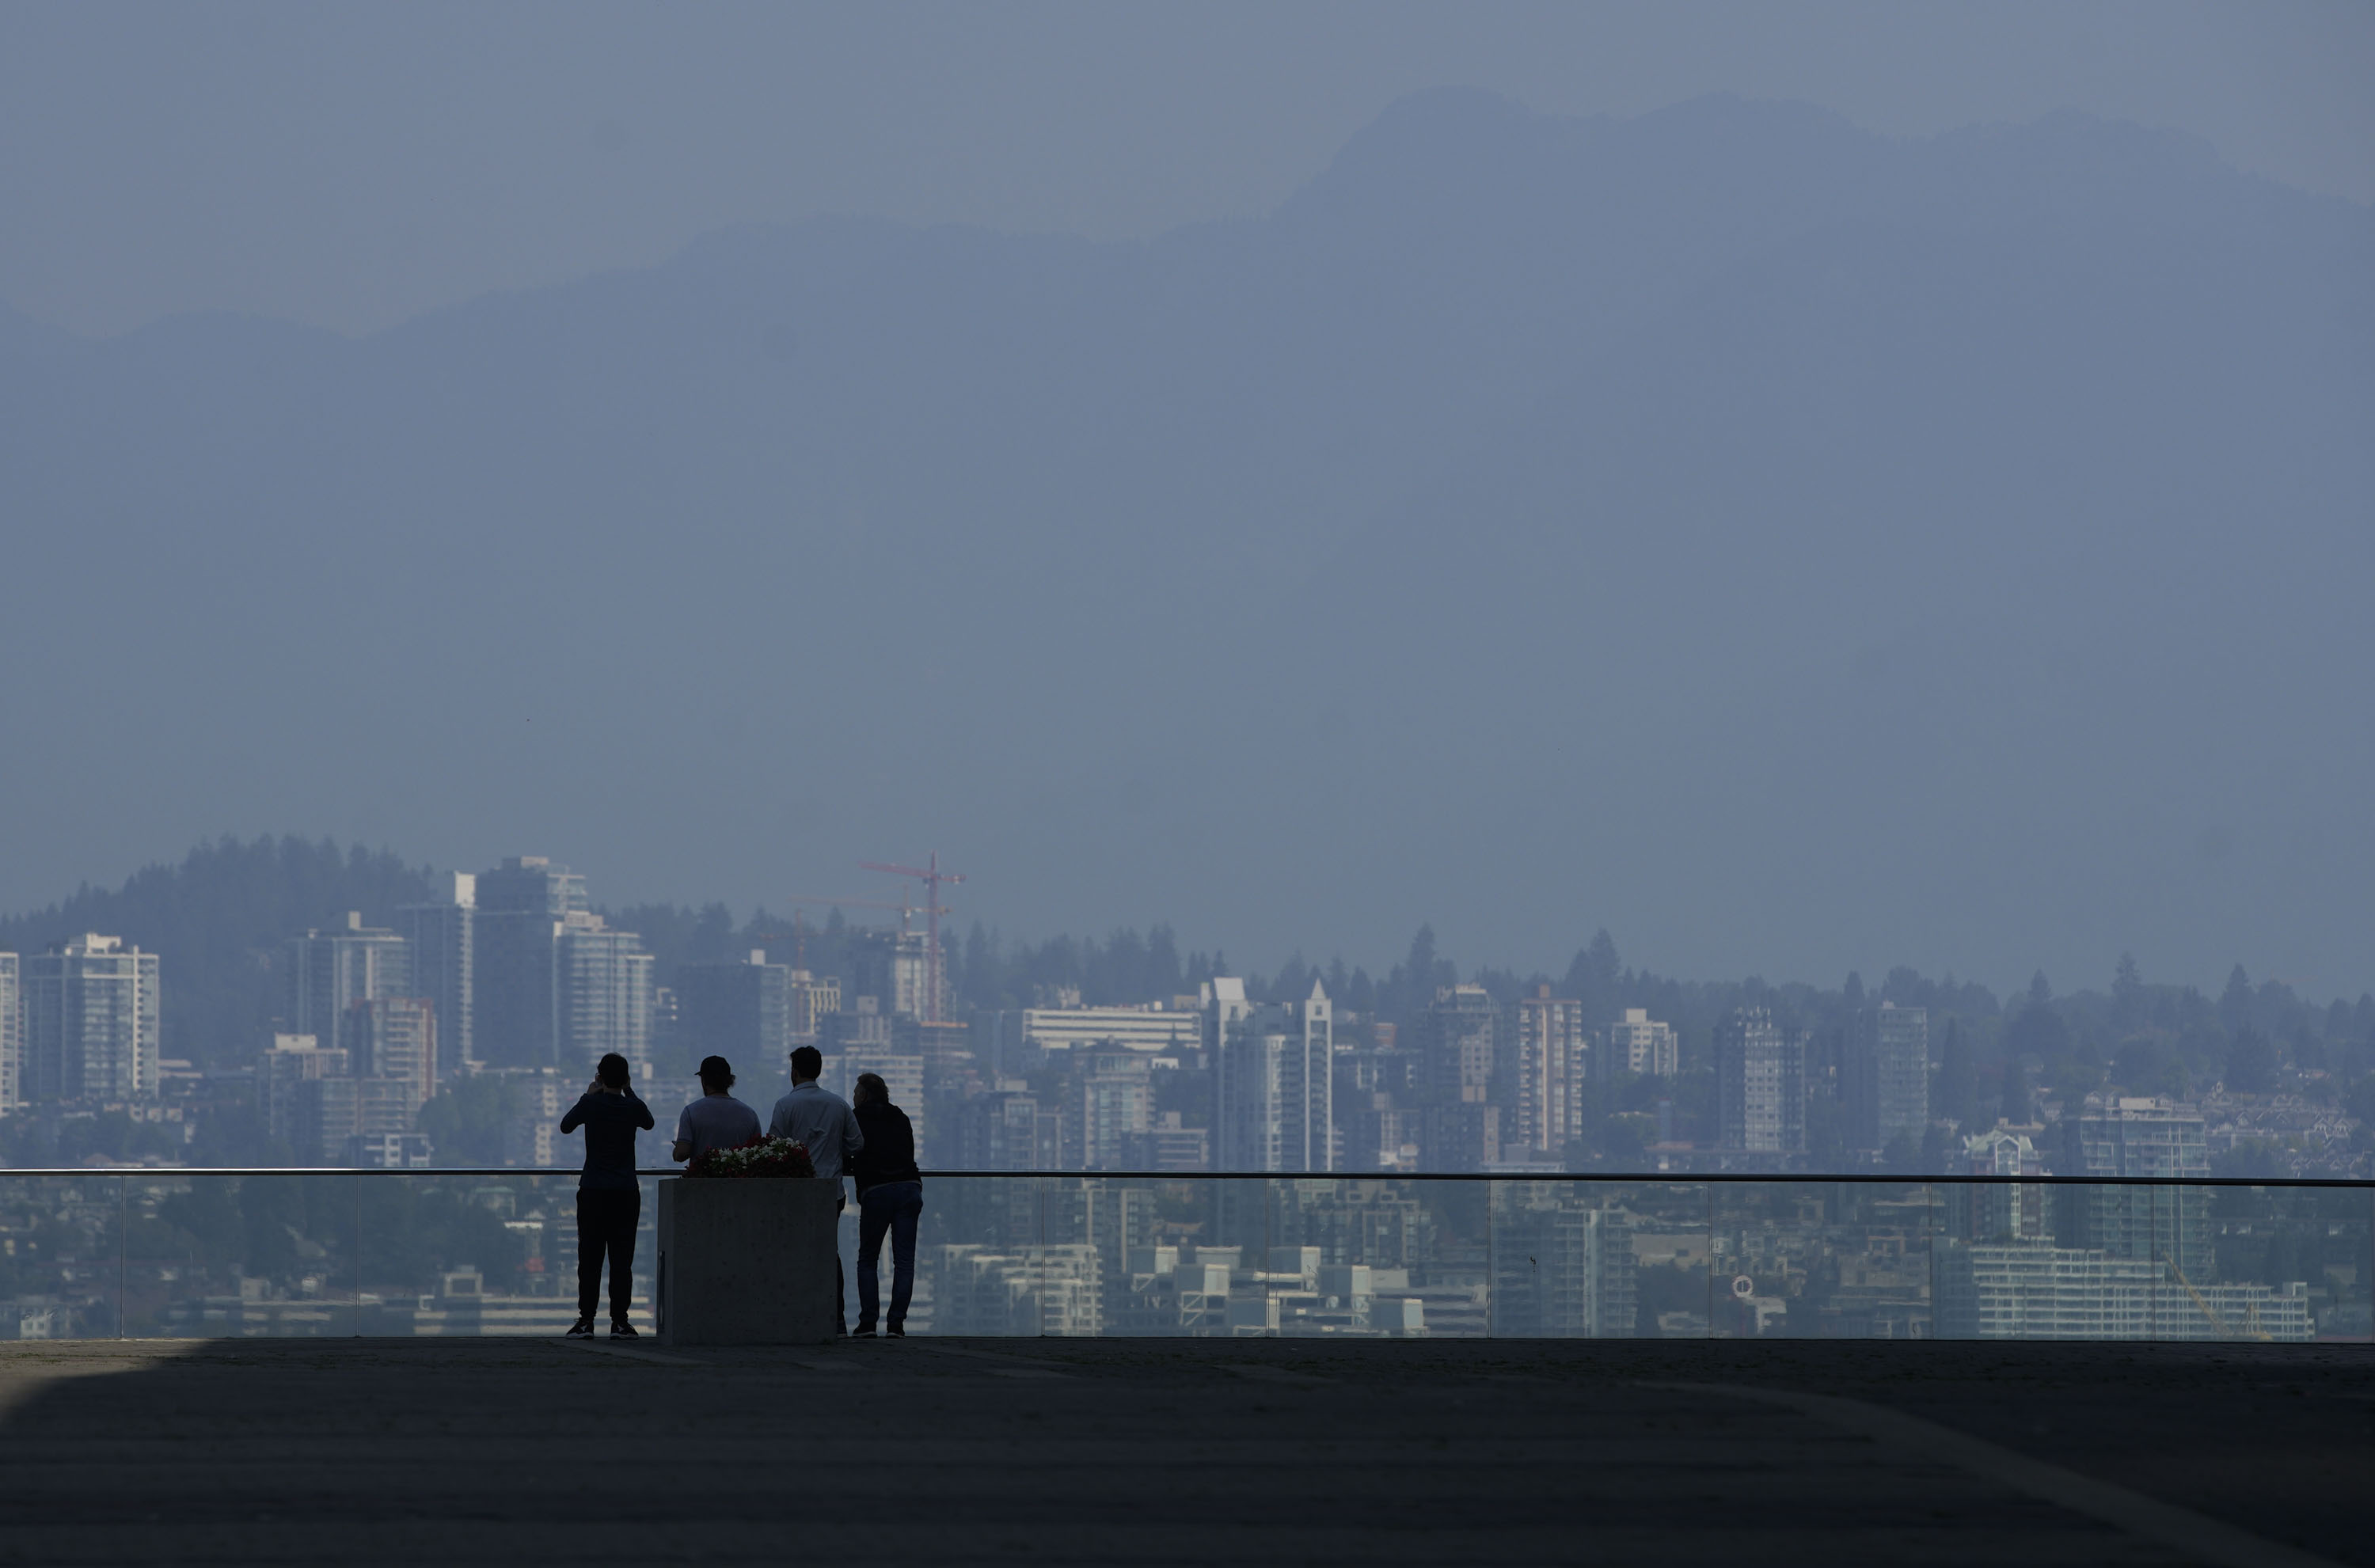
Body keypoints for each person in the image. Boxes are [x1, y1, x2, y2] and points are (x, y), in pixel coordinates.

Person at [767, 1044, 863, 1335]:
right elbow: (857, 1144)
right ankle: (837, 1318)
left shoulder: (786, 1105)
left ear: (794, 1071)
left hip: (796, 1192)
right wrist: (835, 1151)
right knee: (828, 1252)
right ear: (818, 1070)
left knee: (795, 1252)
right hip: (831, 1191)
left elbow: (773, 1146)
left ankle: (796, 1315)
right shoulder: (838, 1104)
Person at [559, 1052, 655, 1338]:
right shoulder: (632, 1107)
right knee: (621, 1260)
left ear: (599, 1077)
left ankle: (586, 1320)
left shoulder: (590, 1104)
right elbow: (649, 1122)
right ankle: (620, 1322)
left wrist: (587, 1095)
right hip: (626, 1192)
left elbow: (565, 1127)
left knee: (590, 1259)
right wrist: (630, 1090)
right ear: (626, 1079)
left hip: (593, 1191)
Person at [849, 1071, 923, 1338]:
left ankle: (868, 1323)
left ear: (865, 1095)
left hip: (877, 1190)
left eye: (856, 1093)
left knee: (868, 1259)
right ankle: (896, 1326)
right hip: (909, 1188)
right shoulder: (900, 1116)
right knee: (904, 1261)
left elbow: (849, 1149)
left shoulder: (856, 1118)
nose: (853, 1098)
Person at [672, 1054, 762, 1164]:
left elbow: (682, 1154)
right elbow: (758, 1155)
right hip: (738, 1179)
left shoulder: (691, 1112)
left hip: (701, 1179)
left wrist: (677, 1150)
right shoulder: (750, 1114)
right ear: (730, 1081)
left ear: (704, 1081)